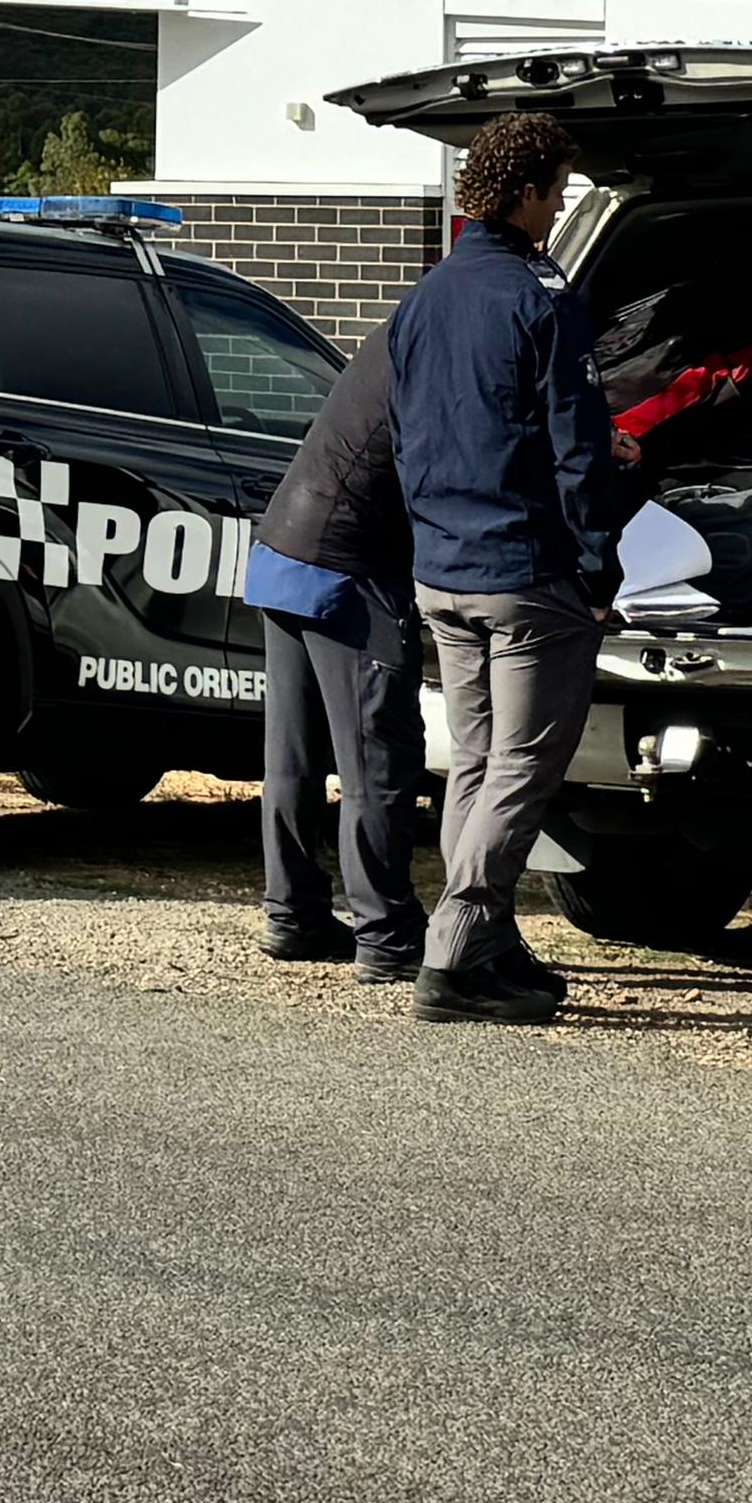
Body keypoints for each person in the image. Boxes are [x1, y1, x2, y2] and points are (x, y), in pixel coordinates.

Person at [387, 109, 631, 1024]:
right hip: (527, 574)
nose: (560, 204)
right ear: (526, 194)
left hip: (443, 567)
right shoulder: (542, 295)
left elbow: (408, 436)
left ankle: (485, 949)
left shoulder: (425, 296)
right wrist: (597, 566)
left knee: (477, 766)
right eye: (557, 190)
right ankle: (453, 957)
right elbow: (577, 447)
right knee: (524, 768)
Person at [242, 330, 424, 983]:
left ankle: (292, 914)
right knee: (378, 756)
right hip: (348, 566)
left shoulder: (395, 341)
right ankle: (389, 935)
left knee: (293, 756)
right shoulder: (442, 352)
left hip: (281, 548)